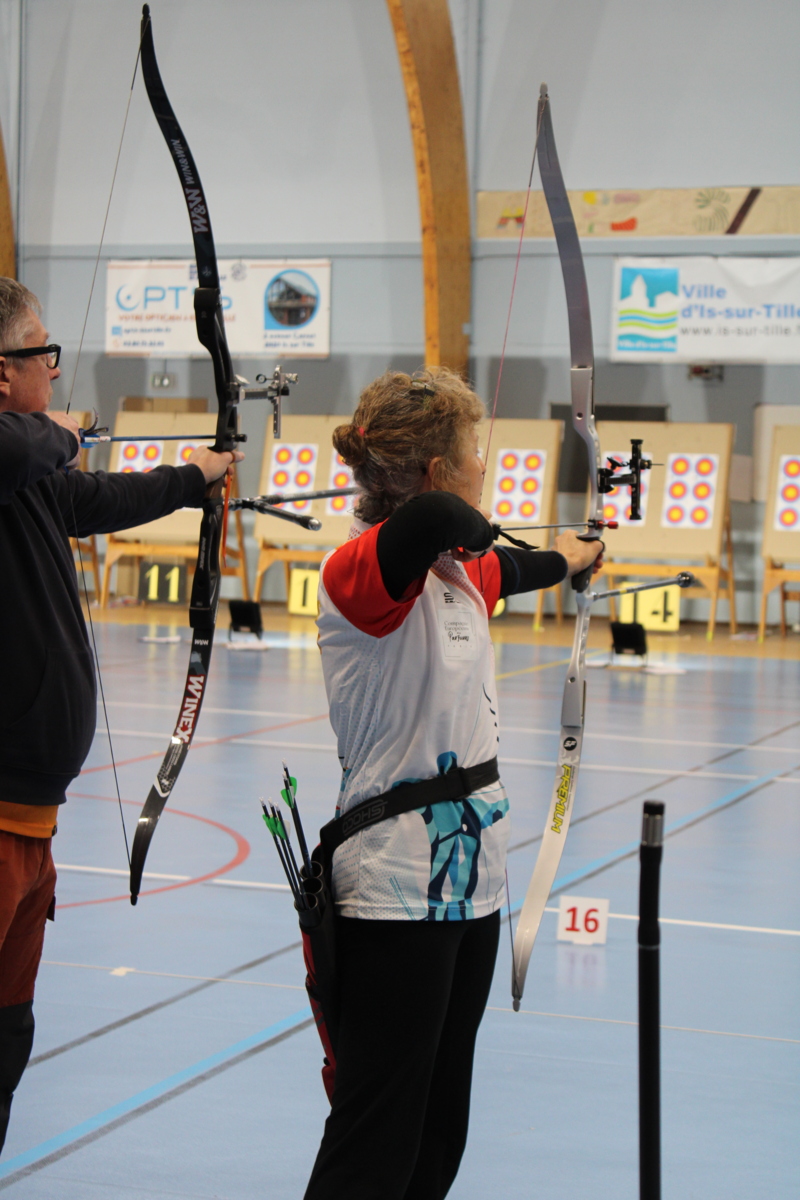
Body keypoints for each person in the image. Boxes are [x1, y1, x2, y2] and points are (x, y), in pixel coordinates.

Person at [304, 367, 602, 1200]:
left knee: (439, 1128)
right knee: (377, 1132)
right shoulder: (361, 570)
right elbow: (435, 521)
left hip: (472, 884)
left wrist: (577, 554)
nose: (485, 464)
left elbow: (523, 566)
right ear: (438, 471)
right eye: (473, 452)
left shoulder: (458, 574)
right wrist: (474, 524)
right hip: (393, 885)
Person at [0, 277, 243, 1152]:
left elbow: (103, 499)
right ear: (2, 371)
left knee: (7, 1038)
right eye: (44, 353)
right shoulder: (18, 452)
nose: (56, 370)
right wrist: (62, 433)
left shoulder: (31, 475)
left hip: (30, 822)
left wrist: (196, 476)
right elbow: (32, 445)